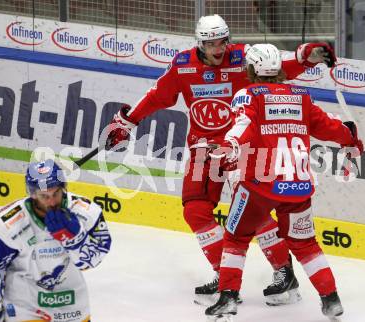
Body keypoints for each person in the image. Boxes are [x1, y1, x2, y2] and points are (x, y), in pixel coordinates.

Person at [107, 14, 337, 305]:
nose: (217, 48)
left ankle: (284, 273)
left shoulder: (243, 58)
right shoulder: (183, 65)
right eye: (210, 43)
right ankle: (223, 276)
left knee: (257, 215)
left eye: (221, 42)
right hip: (204, 149)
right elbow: (158, 96)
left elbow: (280, 66)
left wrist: (308, 57)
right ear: (199, 43)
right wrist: (127, 122)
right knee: (195, 210)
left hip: (243, 148)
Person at [204, 43, 363, 320]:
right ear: (277, 68)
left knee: (236, 238)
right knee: (306, 244)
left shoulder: (249, 95)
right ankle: (331, 299)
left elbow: (243, 125)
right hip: (298, 186)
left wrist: (229, 145)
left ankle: (228, 298)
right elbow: (328, 127)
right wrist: (350, 138)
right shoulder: (301, 96)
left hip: (260, 185)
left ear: (252, 69)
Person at [0, 160, 112, 322]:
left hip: (71, 302)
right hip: (25, 304)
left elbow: (92, 261)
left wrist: (76, 241)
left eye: (56, 193)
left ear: (63, 188)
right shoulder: (8, 225)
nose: (52, 202)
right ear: (33, 194)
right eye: (44, 196)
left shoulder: (87, 212)